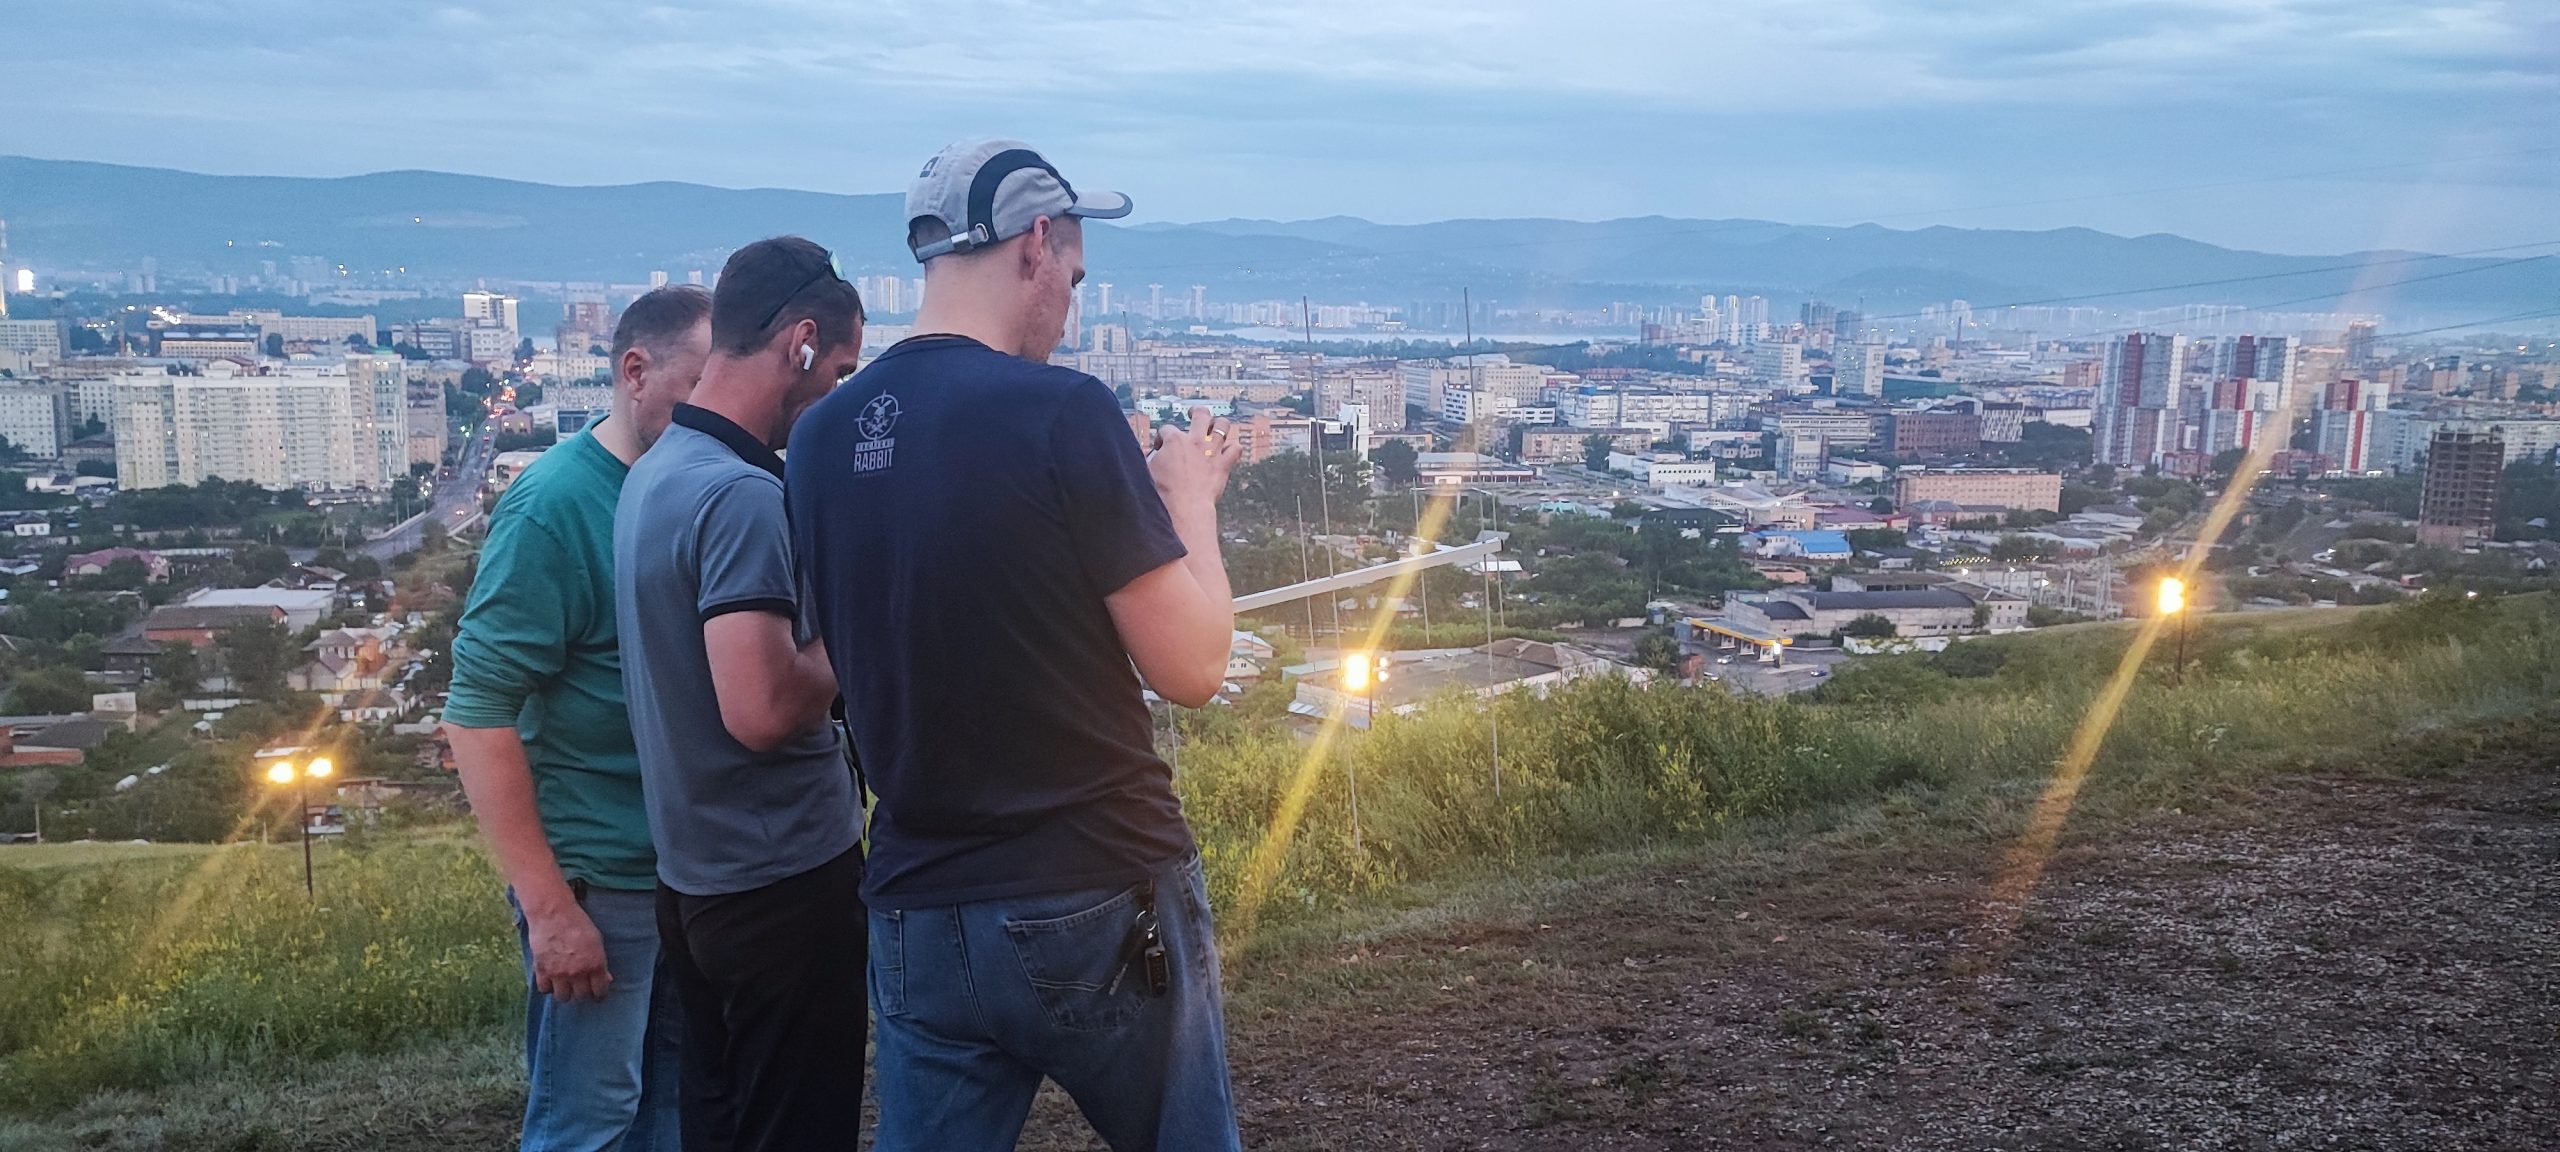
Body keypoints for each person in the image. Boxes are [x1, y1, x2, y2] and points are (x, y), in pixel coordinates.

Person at [788, 140, 1245, 1152]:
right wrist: (1188, 502)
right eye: (1073, 280)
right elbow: (1194, 667)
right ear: (1035, 245)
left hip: (915, 906)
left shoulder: (819, 438)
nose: (1070, 312)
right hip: (1093, 884)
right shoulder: (1063, 410)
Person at [445, 284, 712, 1152]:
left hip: (689, 879)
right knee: (586, 1125)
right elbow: (476, 711)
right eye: (699, 386)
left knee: (673, 1117)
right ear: (635, 371)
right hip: (601, 881)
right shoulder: (556, 505)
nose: (716, 411)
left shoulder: (696, 486)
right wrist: (552, 911)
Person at [615, 235, 867, 1152]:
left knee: (720, 1125)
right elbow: (760, 709)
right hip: (780, 886)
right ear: (800, 344)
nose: (836, 395)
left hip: (694, 882)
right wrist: (857, 630)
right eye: (839, 371)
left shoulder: (657, 472)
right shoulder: (740, 496)